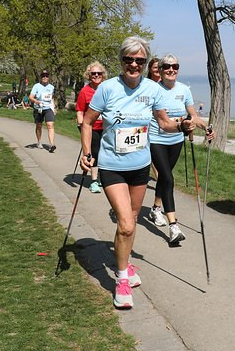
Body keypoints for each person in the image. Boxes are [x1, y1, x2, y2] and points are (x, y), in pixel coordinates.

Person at [80, 37, 190, 309]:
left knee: (128, 224)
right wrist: (86, 153)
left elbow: (164, 123)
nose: (134, 64)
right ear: (121, 61)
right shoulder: (107, 88)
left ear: (144, 63)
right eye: (129, 59)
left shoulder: (152, 89)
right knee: (127, 225)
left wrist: (183, 126)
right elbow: (87, 123)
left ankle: (125, 263)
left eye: (139, 60)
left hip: (140, 167)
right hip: (111, 166)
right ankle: (121, 280)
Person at [147, 54, 212, 245]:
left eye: (175, 66)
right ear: (159, 69)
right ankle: (173, 226)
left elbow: (192, 116)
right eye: (166, 66)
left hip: (176, 140)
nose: (171, 69)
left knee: (165, 178)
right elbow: (162, 122)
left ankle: (155, 209)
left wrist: (206, 128)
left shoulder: (184, 90)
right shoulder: (154, 90)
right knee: (167, 178)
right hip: (156, 139)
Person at [75, 62, 108, 193]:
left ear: (103, 75)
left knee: (104, 153)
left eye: (99, 73)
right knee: (94, 152)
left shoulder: (106, 89)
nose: (96, 75)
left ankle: (102, 177)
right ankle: (94, 181)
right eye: (93, 73)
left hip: (106, 128)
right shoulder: (85, 91)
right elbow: (79, 110)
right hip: (91, 128)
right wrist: (81, 126)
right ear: (89, 75)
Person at [28, 70, 57, 152]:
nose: (45, 77)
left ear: (48, 77)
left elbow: (51, 98)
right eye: (43, 76)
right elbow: (30, 97)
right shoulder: (36, 86)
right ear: (41, 77)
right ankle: (39, 142)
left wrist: (54, 107)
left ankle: (52, 144)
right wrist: (36, 101)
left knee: (50, 125)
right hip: (38, 109)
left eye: (46, 76)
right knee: (39, 125)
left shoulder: (51, 87)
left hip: (48, 108)